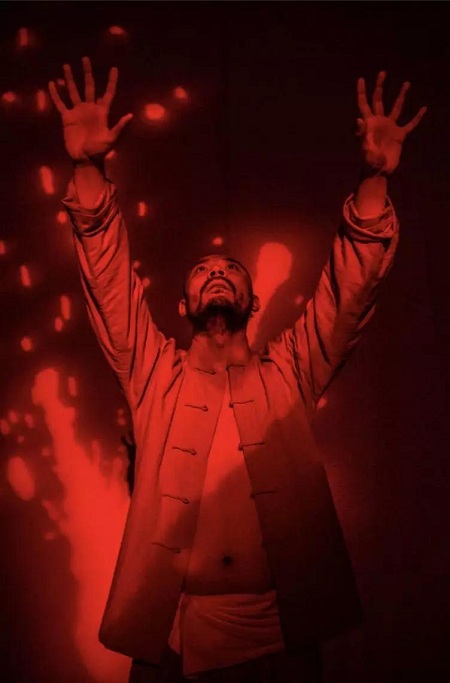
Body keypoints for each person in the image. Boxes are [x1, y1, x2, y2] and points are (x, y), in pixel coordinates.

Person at [49, 57, 426, 683]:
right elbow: (109, 284)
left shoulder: (290, 372)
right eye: (203, 271)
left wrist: (374, 180)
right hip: (175, 638)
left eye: (230, 270)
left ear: (252, 303)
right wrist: (88, 169)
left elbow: (348, 294)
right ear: (183, 305)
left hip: (279, 634)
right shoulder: (154, 374)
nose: (217, 274)